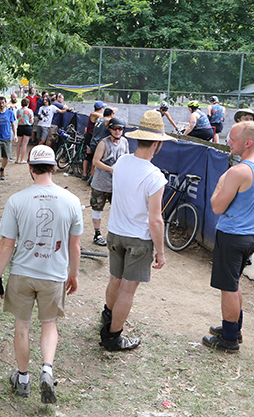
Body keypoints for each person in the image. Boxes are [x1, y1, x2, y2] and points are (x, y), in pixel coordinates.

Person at [0, 145, 82, 403]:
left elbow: (7, 244)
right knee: (49, 324)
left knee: (22, 326)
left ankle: (22, 378)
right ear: (53, 167)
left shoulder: (16, 200)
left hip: (22, 274)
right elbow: (75, 246)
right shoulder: (73, 201)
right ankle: (47, 370)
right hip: (54, 275)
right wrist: (73, 275)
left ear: (30, 168)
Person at [203, 121, 254, 353]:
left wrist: (221, 182)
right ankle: (233, 328)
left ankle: (229, 339)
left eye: (232, 140)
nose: (228, 143)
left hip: (233, 235)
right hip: (252, 235)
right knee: (234, 284)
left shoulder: (238, 172)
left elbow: (216, 206)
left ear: (247, 143)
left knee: (228, 287)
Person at [100, 110, 172, 351]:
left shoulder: (122, 161)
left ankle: (108, 316)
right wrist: (160, 252)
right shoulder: (155, 177)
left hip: (115, 232)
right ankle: (113, 336)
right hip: (138, 239)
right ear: (157, 144)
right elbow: (155, 220)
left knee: (115, 279)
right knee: (128, 289)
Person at [90, 117, 129, 247]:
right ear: (110, 129)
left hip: (116, 185)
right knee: (97, 208)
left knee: (118, 209)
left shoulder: (124, 142)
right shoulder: (103, 143)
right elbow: (96, 161)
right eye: (115, 128)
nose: (118, 131)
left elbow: (127, 158)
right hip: (100, 183)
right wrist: (112, 169)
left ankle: (116, 233)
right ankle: (97, 233)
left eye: (120, 129)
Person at [0, 96, 17, 186]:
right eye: (0, 103)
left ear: (5, 103)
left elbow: (13, 125)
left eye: (3, 103)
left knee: (6, 158)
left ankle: (2, 169)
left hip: (7, 138)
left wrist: (15, 135)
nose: (1, 105)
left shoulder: (10, 113)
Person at [82, 101, 105, 179]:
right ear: (101, 108)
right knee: (90, 156)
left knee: (92, 156)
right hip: (90, 137)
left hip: (94, 137)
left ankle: (90, 175)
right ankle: (86, 174)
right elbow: (104, 117)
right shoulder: (94, 114)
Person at [15, 97, 34, 164]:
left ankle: (17, 159)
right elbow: (31, 121)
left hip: (20, 127)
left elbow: (17, 117)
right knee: (24, 144)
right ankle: (22, 159)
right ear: (28, 104)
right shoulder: (30, 111)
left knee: (19, 144)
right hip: (27, 127)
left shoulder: (18, 110)